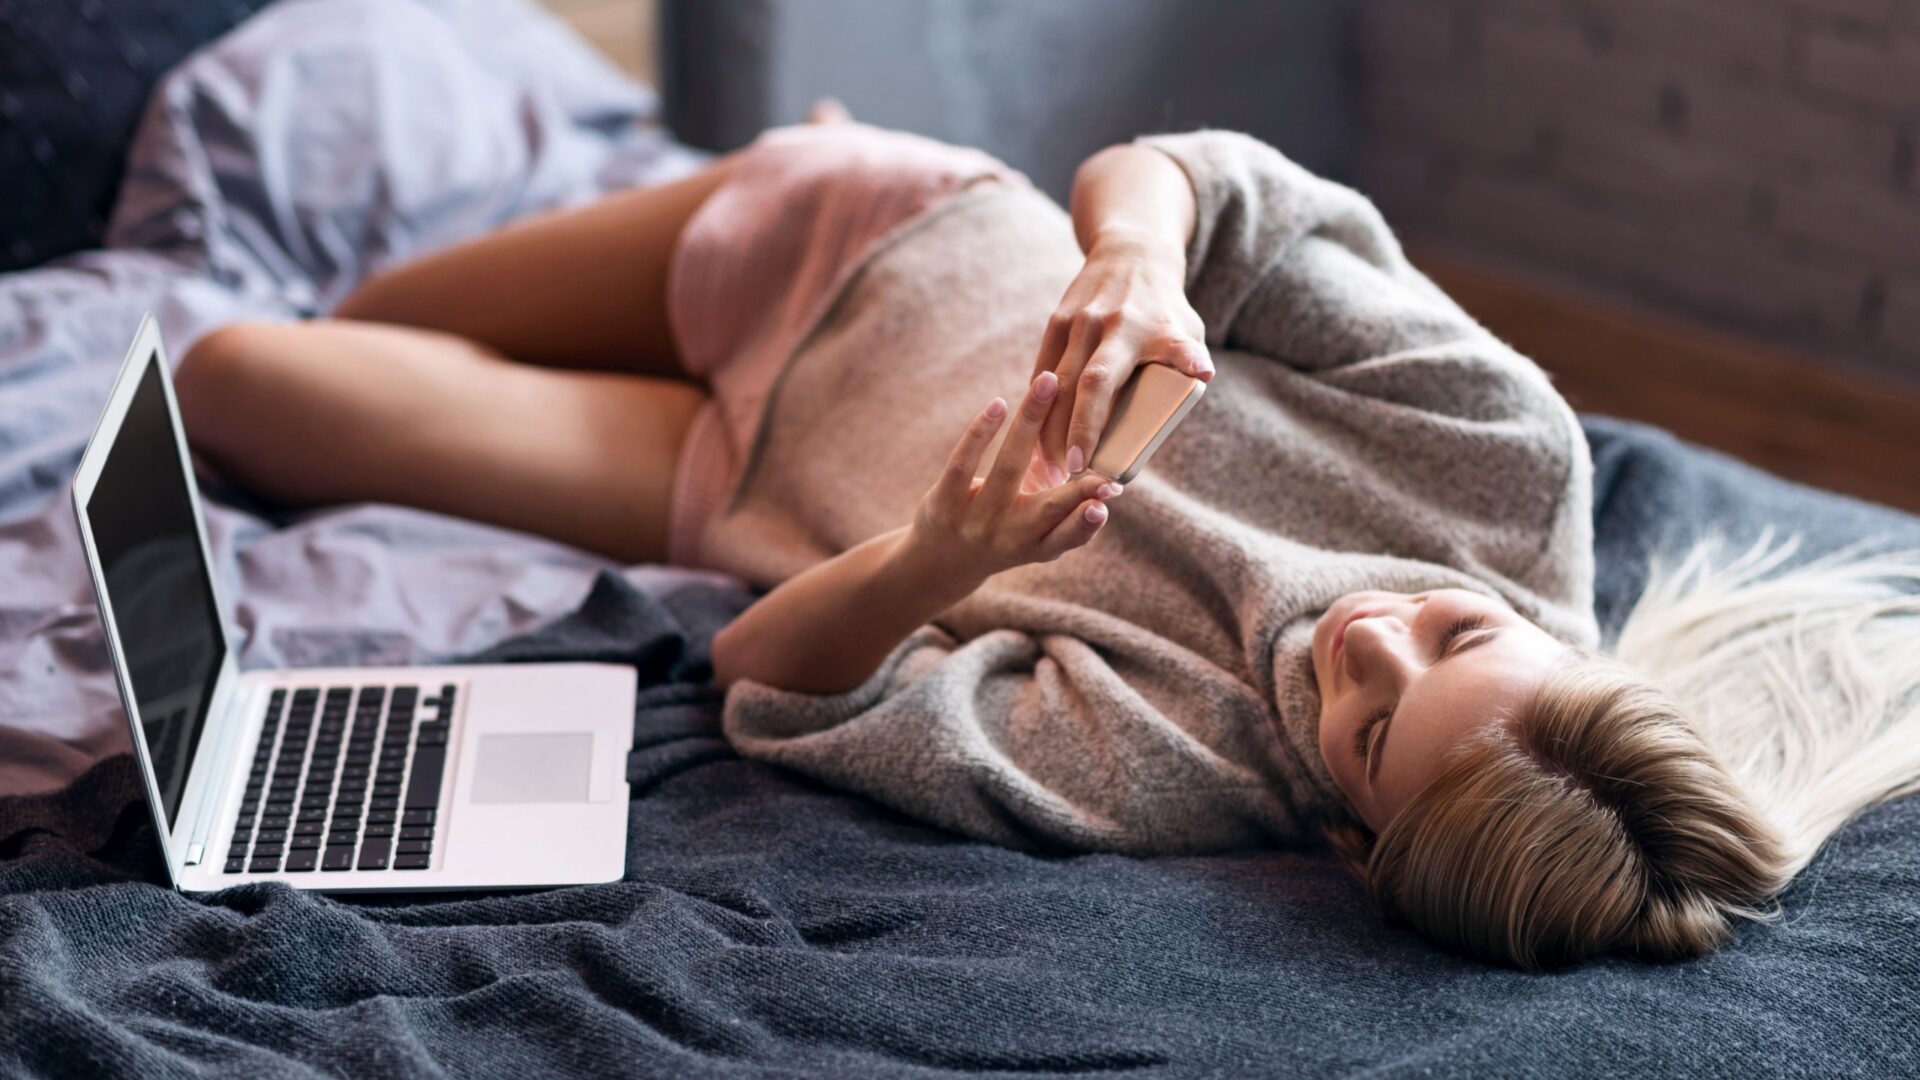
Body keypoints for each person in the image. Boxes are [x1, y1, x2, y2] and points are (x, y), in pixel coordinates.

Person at [176, 109, 1920, 969]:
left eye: (1373, 726)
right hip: (869, 240)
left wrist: (934, 562)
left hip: (728, 481)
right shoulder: (1498, 463)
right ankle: (804, 143)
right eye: (1458, 638)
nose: (1362, 644)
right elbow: (1203, 175)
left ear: (1352, 830)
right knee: (367, 297)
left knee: (246, 381)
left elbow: (764, 682)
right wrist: (1138, 259)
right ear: (1558, 635)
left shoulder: (1171, 772)